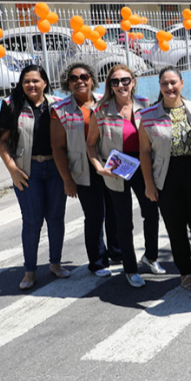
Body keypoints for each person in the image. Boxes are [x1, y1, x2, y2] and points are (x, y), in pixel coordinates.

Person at [86, 65, 160, 288]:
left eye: (125, 80)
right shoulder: (100, 111)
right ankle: (131, 269)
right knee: (124, 221)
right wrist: (99, 168)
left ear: (133, 82)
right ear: (110, 86)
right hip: (116, 168)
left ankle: (151, 256)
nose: (121, 85)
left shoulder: (145, 104)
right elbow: (90, 145)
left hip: (142, 165)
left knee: (151, 212)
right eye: (115, 82)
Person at [0, 64, 68, 290]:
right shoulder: (11, 105)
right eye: (26, 81)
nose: (31, 85)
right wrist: (12, 170)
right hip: (27, 172)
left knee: (55, 217)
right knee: (32, 221)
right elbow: (2, 142)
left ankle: (55, 263)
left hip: (55, 169)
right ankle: (29, 271)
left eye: (36, 80)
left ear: (45, 82)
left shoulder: (58, 105)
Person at [139, 68, 191, 290]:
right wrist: (149, 184)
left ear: (182, 83)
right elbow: (144, 152)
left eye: (173, 82)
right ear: (160, 86)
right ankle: (185, 272)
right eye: (165, 84)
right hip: (166, 175)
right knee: (175, 225)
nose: (170, 87)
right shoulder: (148, 116)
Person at [52, 62, 120, 277]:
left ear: (92, 79)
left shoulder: (106, 102)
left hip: (110, 164)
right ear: (68, 83)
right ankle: (98, 262)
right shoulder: (61, 110)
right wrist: (67, 179)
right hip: (83, 169)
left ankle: (117, 252)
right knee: (94, 216)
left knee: (115, 211)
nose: (79, 81)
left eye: (84, 77)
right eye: (73, 78)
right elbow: (58, 147)